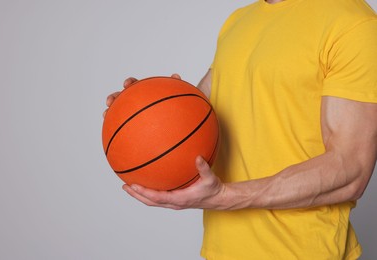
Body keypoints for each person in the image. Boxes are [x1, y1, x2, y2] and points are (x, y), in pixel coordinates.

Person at [104, 0, 377, 258]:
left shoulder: (352, 23)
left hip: (301, 252)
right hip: (222, 251)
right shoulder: (238, 21)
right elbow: (198, 115)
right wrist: (144, 109)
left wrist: (227, 197)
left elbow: (351, 167)